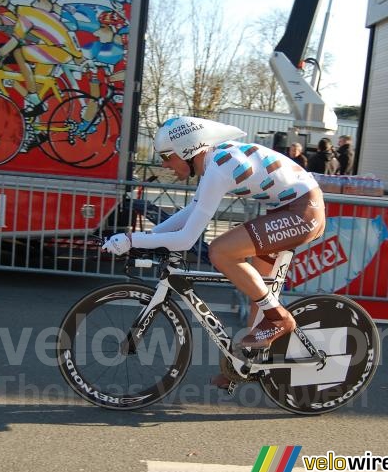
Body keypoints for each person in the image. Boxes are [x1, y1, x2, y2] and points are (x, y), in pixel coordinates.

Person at [101, 117, 326, 389]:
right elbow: (189, 212)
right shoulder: (214, 164)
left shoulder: (219, 167)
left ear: (186, 150)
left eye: (166, 157)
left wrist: (131, 240)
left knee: (220, 251)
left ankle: (280, 319)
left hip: (302, 212)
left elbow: (186, 239)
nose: (164, 164)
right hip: (286, 211)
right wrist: (144, 238)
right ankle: (245, 366)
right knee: (259, 293)